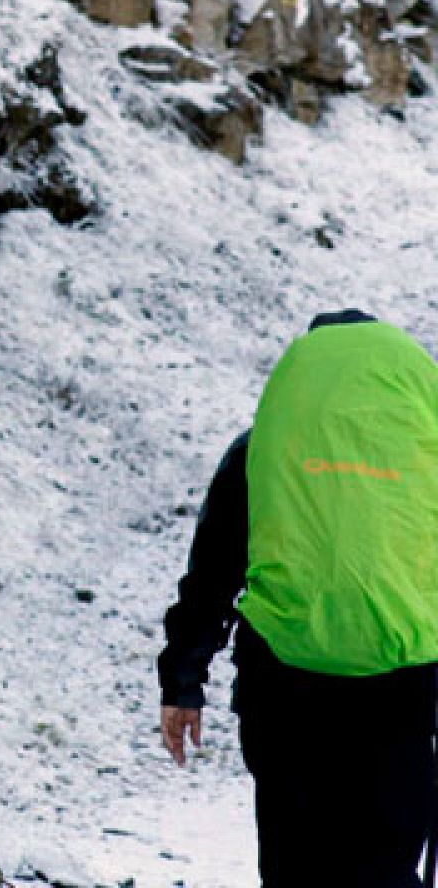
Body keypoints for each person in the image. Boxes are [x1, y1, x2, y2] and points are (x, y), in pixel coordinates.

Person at [158, 309, 438, 888]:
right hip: (401, 697)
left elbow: (212, 575)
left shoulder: (263, 452)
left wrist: (183, 682)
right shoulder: (424, 458)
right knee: (383, 870)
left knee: (294, 869)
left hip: (283, 696)